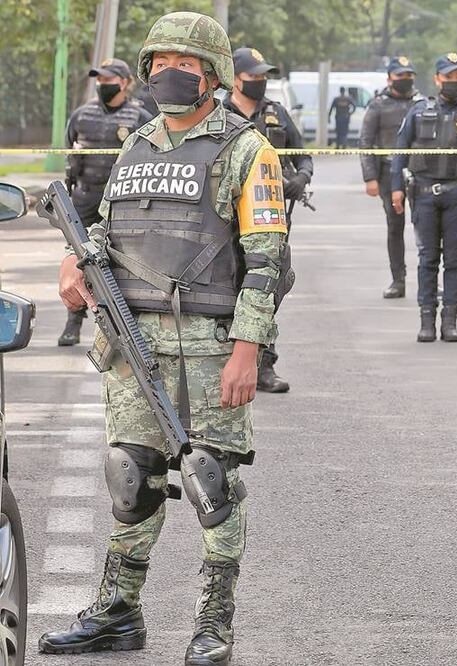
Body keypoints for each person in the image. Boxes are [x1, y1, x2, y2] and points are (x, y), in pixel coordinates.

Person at [39, 12, 288, 665]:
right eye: (158, 60)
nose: (166, 72)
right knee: (131, 477)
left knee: (213, 484)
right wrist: (76, 261)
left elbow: (268, 262)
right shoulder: (138, 143)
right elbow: (109, 235)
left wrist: (247, 349)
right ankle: (118, 614)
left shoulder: (247, 150)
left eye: (183, 61)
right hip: (133, 341)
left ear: (212, 74)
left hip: (209, 346)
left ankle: (215, 622)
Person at [223, 46, 312, 394]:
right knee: (226, 290)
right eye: (252, 77)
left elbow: (303, 157)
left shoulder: (277, 113)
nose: (259, 82)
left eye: (263, 77)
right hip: (224, 222)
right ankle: (226, 359)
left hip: (268, 222)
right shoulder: (217, 114)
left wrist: (299, 180)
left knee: (268, 289)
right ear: (235, 80)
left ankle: (264, 365)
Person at [391, 53, 457, 343]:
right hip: (424, 193)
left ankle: (450, 320)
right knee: (427, 258)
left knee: (454, 259)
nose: (454, 82)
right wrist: (396, 187)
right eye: (449, 77)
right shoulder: (418, 111)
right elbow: (400, 151)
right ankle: (426, 320)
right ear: (438, 79)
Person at [59, 58, 154, 346]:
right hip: (84, 200)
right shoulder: (81, 114)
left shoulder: (139, 117)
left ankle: (120, 328)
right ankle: (73, 322)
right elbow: (67, 150)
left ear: (125, 82)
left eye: (109, 80)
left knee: (118, 266)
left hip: (121, 203)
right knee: (77, 262)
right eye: (99, 80)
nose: (103, 85)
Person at [360, 56, 422, 298]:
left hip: (419, 171)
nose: (405, 80)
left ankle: (429, 280)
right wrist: (370, 177)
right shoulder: (378, 105)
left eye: (409, 75)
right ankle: (398, 280)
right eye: (400, 76)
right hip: (387, 173)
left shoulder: (421, 103)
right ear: (389, 79)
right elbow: (365, 141)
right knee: (395, 227)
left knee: (424, 227)